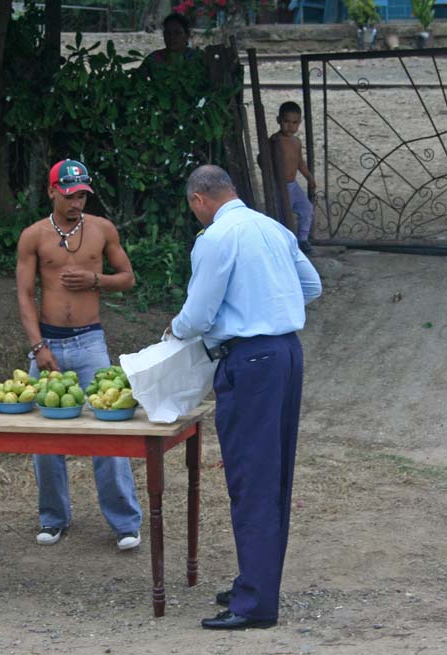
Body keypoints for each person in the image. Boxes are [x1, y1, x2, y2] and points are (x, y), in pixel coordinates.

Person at [168, 165, 322, 630]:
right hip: (286, 352)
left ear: (199, 199)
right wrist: (271, 305)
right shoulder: (272, 228)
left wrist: (174, 331)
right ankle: (257, 582)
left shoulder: (216, 238)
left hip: (250, 360)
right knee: (273, 474)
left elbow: (197, 314)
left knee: (251, 477)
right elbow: (311, 286)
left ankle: (255, 603)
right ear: (230, 190)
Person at [15, 159, 144, 550]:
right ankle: (53, 517)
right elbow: (23, 294)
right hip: (49, 342)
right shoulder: (33, 235)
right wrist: (38, 347)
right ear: (52, 191)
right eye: (70, 195)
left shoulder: (102, 229)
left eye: (83, 195)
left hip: (90, 342)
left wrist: (96, 280)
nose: (77, 203)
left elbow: (128, 277)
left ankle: (125, 523)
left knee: (109, 433)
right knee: (45, 437)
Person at [270, 101, 317, 255]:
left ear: (300, 123)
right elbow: (264, 161)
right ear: (279, 120)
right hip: (280, 186)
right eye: (286, 122)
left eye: (295, 123)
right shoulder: (275, 141)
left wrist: (310, 178)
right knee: (284, 216)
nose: (290, 126)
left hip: (293, 185)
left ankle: (302, 239)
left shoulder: (296, 142)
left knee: (307, 209)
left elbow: (300, 163)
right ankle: (283, 243)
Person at [138, 12, 203, 77]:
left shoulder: (198, 59)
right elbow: (136, 82)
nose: (172, 37)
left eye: (177, 33)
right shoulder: (153, 59)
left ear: (187, 35)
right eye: (168, 33)